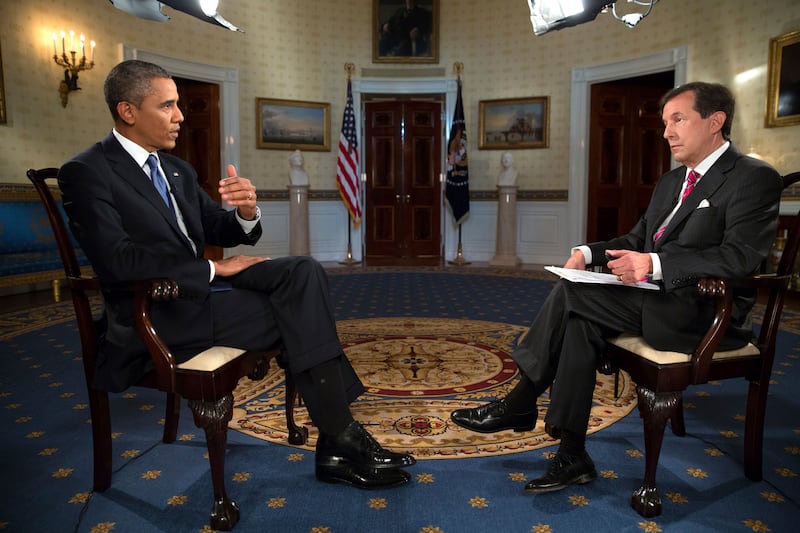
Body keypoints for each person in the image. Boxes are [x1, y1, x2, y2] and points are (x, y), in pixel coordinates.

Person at [58, 59, 415, 490]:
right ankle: (340, 441)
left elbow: (218, 227)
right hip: (154, 314)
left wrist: (246, 213)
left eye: (179, 105)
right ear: (128, 112)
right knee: (297, 314)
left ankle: (339, 440)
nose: (180, 117)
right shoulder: (87, 171)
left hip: (202, 297)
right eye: (167, 106)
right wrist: (210, 267)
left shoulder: (176, 169)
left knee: (303, 273)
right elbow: (116, 260)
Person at [450, 82, 783, 494]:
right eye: (665, 123)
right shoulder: (671, 181)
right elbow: (638, 237)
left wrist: (657, 264)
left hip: (704, 312)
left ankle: (521, 401)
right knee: (578, 321)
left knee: (574, 297)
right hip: (657, 300)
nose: (666, 132)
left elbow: (740, 258)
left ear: (715, 122)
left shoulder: (753, 177)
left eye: (677, 119)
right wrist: (586, 253)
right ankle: (572, 456)